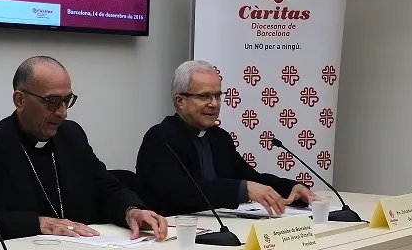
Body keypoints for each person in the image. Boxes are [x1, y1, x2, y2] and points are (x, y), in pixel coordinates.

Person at [0, 56, 167, 249]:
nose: (63, 113)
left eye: (67, 100)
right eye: (52, 102)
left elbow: (105, 186)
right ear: (20, 100)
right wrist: (37, 223)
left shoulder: (71, 135)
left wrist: (131, 210)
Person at [135, 60, 315, 217]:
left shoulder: (219, 137)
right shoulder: (160, 138)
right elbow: (181, 191)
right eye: (204, 96)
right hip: (175, 233)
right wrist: (242, 190)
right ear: (180, 101)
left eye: (217, 96)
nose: (214, 104)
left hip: (219, 228)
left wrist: (290, 188)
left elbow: (249, 177)